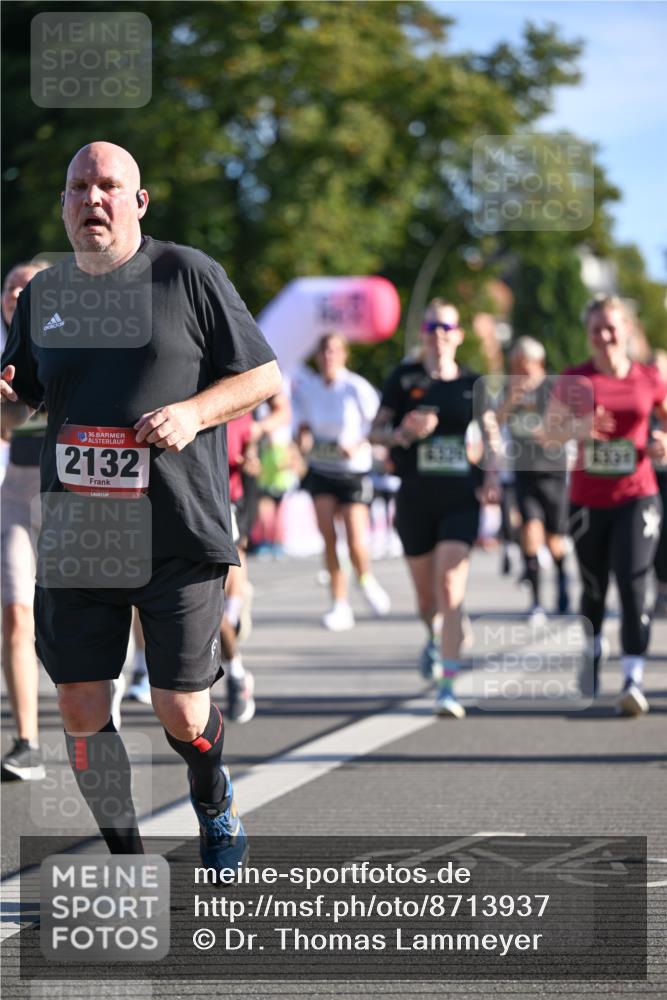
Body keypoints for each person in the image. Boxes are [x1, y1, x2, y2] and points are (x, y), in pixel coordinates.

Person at [1, 142, 281, 863]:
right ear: (64, 204)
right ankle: (126, 858)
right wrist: (5, 407)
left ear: (138, 200)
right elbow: (23, 401)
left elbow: (262, 376)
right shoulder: (45, 295)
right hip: (80, 531)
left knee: (182, 711)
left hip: (176, 527)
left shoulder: (186, 274)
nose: (92, 198)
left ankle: (213, 797)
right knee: (80, 707)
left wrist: (192, 413)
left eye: (107, 186)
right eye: (78, 188)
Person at [370, 298, 499, 718]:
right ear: (424, 334)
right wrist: (404, 432)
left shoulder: (474, 384)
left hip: (461, 497)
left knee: (450, 589)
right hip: (415, 498)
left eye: (447, 327)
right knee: (427, 600)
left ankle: (448, 685)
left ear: (458, 335)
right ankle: (432, 632)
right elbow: (375, 434)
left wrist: (494, 476)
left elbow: (494, 439)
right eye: (432, 327)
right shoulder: (404, 378)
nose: (439, 334)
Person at [544, 295, 667, 716]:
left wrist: (662, 442)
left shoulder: (649, 377)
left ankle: (632, 678)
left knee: (634, 584)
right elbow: (548, 436)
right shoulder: (574, 378)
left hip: (638, 496)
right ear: (588, 333)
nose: (605, 336)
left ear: (627, 330)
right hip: (587, 501)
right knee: (594, 589)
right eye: (597, 328)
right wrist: (579, 428)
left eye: (612, 327)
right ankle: (593, 645)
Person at [292, 333, 391, 631]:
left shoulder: (356, 388)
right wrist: (304, 442)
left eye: (334, 351)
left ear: (344, 355)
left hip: (352, 470)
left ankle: (365, 578)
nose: (328, 357)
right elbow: (302, 427)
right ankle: (340, 603)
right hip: (322, 469)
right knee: (329, 539)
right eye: (324, 352)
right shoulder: (307, 389)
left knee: (355, 538)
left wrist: (358, 443)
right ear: (318, 357)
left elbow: (377, 427)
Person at [1, 259, 51, 780]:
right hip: (14, 495)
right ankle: (27, 742)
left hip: (75, 494)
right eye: (11, 287)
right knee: (16, 614)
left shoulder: (82, 344)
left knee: (79, 615)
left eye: (29, 286)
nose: (18, 294)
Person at [495, 337, 570, 625]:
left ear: (536, 363)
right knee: (530, 534)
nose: (517, 370)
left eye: (521, 365)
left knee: (554, 542)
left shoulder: (554, 388)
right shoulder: (508, 388)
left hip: (552, 473)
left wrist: (549, 430)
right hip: (524, 474)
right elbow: (496, 421)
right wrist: (513, 398)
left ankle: (562, 579)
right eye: (513, 365)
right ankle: (536, 602)